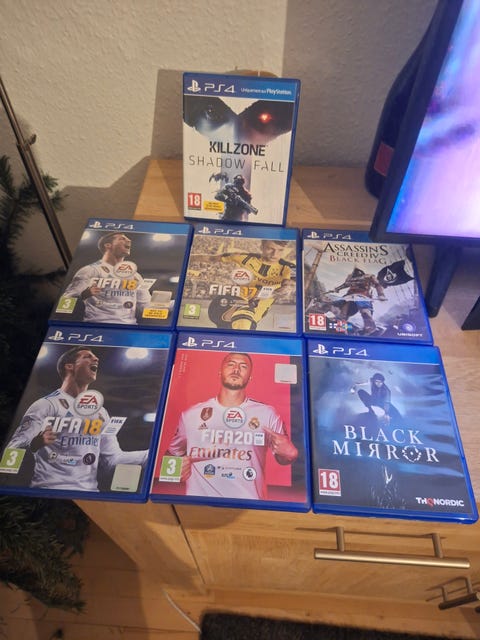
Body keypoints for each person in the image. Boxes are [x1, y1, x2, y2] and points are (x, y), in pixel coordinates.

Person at [3, 346, 148, 491]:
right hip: (48, 489)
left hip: (89, 492)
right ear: (69, 366)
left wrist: (152, 454)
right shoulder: (46, 405)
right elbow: (13, 448)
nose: (96, 358)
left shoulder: (101, 412)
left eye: (94, 356)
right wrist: (35, 444)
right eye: (87, 357)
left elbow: (113, 460)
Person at [166, 352, 298, 500]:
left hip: (251, 505)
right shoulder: (191, 415)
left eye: (243, 366)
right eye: (231, 364)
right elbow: (171, 456)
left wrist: (290, 454)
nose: (236, 369)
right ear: (220, 372)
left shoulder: (267, 413)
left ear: (250, 377)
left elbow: (283, 458)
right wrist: (176, 470)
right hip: (198, 505)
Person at [192, 239, 296, 330]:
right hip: (228, 305)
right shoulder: (245, 258)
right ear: (262, 247)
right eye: (270, 249)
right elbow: (211, 258)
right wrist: (188, 257)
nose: (275, 254)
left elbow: (288, 288)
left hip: (253, 313)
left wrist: (268, 294)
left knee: (233, 334)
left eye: (280, 250)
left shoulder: (289, 268)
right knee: (242, 318)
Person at [60, 232, 152, 324]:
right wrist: (83, 295)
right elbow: (65, 302)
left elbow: (145, 305)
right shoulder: (90, 270)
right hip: (96, 325)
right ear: (108, 245)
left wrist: (159, 307)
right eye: (122, 239)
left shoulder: (136, 276)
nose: (129, 240)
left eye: (128, 239)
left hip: (128, 326)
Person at [333, 266, 387, 335]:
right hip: (350, 296)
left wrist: (381, 294)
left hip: (362, 296)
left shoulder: (368, 277)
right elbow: (345, 285)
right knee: (343, 313)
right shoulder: (351, 277)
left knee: (365, 313)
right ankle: (342, 330)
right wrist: (337, 289)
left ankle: (370, 330)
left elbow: (377, 285)